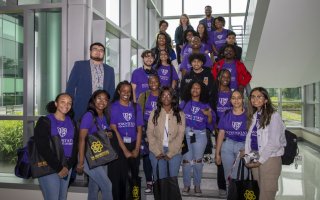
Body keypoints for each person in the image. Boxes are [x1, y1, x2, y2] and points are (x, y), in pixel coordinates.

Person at [245, 87, 286, 200]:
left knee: (266, 194)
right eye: (253, 97)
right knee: (259, 192)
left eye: (259, 96)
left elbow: (274, 143)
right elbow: (250, 140)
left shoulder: (274, 116)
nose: (255, 99)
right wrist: (248, 158)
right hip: (255, 157)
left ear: (266, 100)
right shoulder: (254, 116)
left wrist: (260, 161)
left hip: (270, 159)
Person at [34, 93, 78, 200]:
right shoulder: (44, 121)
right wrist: (59, 167)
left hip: (67, 166)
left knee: (62, 197)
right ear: (56, 103)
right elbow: (42, 148)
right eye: (63, 101)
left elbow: (75, 146)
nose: (66, 105)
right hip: (49, 165)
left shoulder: (72, 122)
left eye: (69, 103)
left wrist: (68, 166)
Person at [109, 81, 144, 200]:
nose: (126, 93)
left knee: (134, 176)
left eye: (128, 91)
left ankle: (134, 198)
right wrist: (125, 150)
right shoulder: (113, 107)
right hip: (119, 146)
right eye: (123, 91)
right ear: (118, 92)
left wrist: (136, 150)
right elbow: (115, 130)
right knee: (119, 177)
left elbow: (139, 130)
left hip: (134, 144)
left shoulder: (136, 107)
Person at [76, 90, 113, 200]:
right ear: (93, 100)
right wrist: (81, 162)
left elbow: (101, 134)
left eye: (105, 99)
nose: (102, 101)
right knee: (107, 186)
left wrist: (108, 134)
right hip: (88, 157)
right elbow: (81, 139)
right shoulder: (89, 116)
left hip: (101, 155)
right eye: (99, 98)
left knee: (94, 187)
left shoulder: (104, 116)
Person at [180, 81, 214, 196]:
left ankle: (197, 185)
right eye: (193, 88)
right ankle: (186, 185)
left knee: (198, 161)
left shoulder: (206, 105)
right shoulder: (184, 103)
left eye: (198, 88)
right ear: (189, 89)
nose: (195, 90)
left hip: (200, 134)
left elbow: (210, 123)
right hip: (186, 134)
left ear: (202, 90)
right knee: (186, 161)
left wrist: (208, 115)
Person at [66, 42, 115, 122]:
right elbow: (70, 86)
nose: (98, 52)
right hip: (82, 106)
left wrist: (109, 108)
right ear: (90, 51)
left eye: (101, 50)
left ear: (104, 54)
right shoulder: (79, 65)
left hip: (102, 107)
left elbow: (111, 90)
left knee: (99, 132)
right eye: (95, 49)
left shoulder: (110, 70)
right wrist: (69, 104)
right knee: (80, 130)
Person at [147, 86, 185, 185]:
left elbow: (180, 135)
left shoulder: (180, 114)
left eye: (169, 95)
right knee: (160, 181)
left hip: (174, 151)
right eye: (163, 95)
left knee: (172, 181)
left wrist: (171, 153)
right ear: (160, 98)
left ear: (173, 97)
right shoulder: (154, 113)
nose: (166, 97)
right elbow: (150, 133)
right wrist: (157, 152)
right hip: (157, 150)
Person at [215, 90, 248, 196]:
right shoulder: (226, 114)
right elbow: (221, 134)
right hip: (228, 145)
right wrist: (217, 154)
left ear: (243, 99)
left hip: (243, 146)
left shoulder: (249, 115)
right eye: (233, 98)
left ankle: (240, 196)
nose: (236, 100)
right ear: (230, 100)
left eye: (239, 97)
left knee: (242, 175)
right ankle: (231, 196)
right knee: (228, 176)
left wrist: (247, 149)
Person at [137, 75, 160, 194]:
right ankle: (149, 182)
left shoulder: (164, 95)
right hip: (146, 127)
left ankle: (158, 182)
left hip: (160, 128)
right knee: (146, 156)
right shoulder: (144, 95)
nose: (153, 83)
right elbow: (139, 113)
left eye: (155, 81)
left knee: (158, 155)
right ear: (148, 83)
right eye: (151, 82)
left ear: (159, 82)